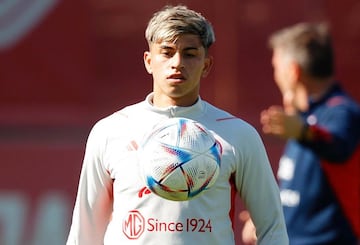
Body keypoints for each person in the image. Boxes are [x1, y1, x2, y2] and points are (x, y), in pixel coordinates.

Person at [66, 5, 288, 245]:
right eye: (167, 52)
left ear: (206, 65)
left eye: (190, 53)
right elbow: (84, 232)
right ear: (149, 61)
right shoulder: (110, 131)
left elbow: (273, 229)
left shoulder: (238, 135)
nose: (177, 62)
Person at [241, 22, 360, 245]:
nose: (275, 75)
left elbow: (338, 145)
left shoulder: (341, 112)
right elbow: (299, 194)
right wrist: (269, 220)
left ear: (293, 71)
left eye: (276, 67)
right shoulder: (303, 118)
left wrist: (303, 132)